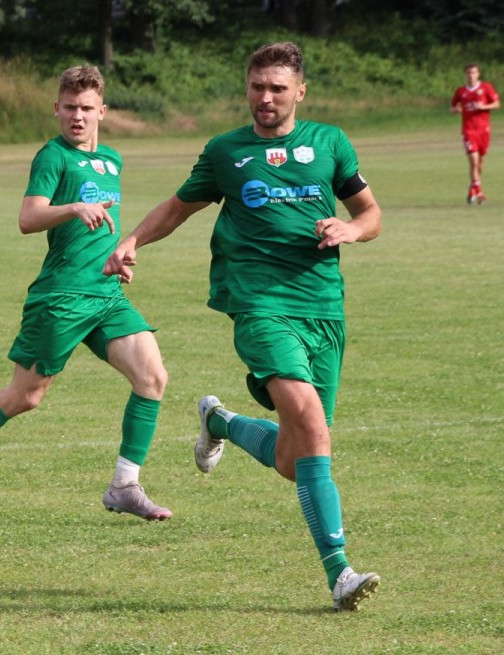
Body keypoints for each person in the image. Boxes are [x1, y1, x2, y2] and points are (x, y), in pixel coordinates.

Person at [105, 42, 383, 611]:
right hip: (259, 305)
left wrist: (352, 231)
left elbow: (370, 214)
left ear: (299, 91)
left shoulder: (330, 144)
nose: (266, 97)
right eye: (257, 86)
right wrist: (131, 239)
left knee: (293, 457)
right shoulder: (226, 151)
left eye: (278, 88)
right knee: (310, 423)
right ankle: (340, 572)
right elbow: (178, 206)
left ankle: (221, 422)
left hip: (324, 309)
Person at [0, 65, 172, 522]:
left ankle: (124, 484)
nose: (77, 117)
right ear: (55, 109)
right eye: (69, 108)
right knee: (26, 395)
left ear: (102, 110)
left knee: (152, 377)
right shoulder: (52, 157)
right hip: (61, 297)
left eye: (86, 108)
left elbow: (103, 225)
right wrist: (73, 207)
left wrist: (116, 258)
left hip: (105, 294)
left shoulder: (113, 160)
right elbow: (29, 217)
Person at [450, 63, 500, 205]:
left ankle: (473, 187)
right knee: (474, 160)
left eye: (474, 73)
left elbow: (496, 104)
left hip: (484, 130)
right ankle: (479, 191)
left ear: (478, 74)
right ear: (465, 75)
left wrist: (484, 106)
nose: (471, 75)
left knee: (480, 164)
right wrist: (455, 110)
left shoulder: (485, 88)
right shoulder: (461, 91)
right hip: (468, 131)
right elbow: (453, 107)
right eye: (468, 73)